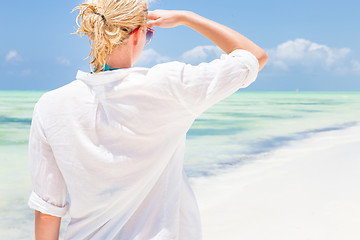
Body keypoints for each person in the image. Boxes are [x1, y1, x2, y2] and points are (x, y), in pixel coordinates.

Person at [27, 0, 268, 239]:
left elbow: (48, 212)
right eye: (148, 34)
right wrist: (187, 17)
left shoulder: (50, 105)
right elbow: (254, 56)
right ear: (138, 35)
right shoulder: (169, 86)